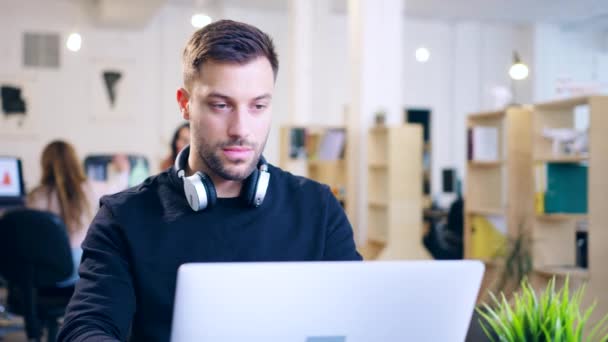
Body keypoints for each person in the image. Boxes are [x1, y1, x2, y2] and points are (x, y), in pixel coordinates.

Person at [57, 20, 361, 342]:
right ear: (185, 103)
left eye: (258, 106)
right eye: (221, 105)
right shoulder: (124, 217)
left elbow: (358, 317)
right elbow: (86, 327)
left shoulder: (318, 208)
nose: (241, 128)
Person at [26, 140, 130, 286]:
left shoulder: (35, 196)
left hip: (45, 272)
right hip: (79, 271)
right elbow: (120, 188)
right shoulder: (90, 189)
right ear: (75, 161)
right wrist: (124, 170)